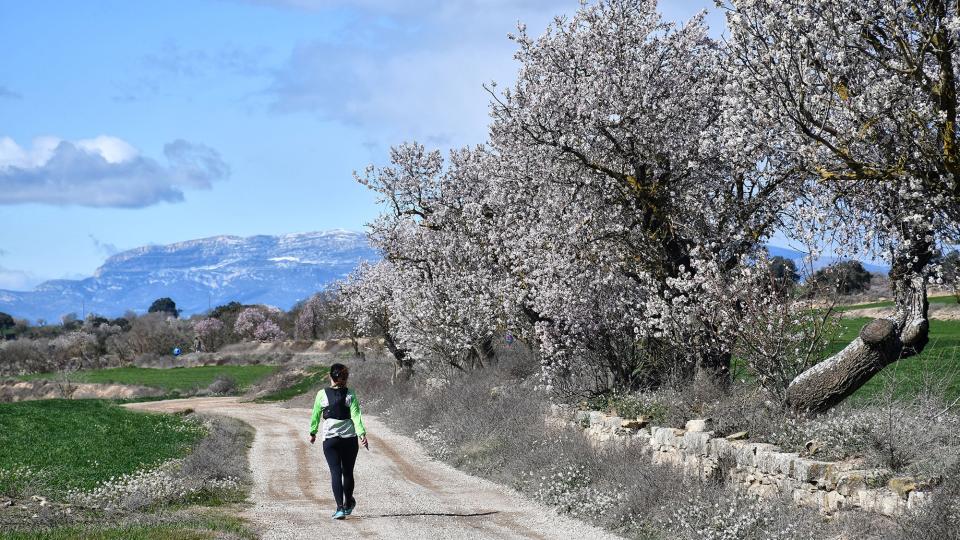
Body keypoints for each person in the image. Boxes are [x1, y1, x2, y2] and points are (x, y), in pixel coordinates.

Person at [309, 363, 369, 520]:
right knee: (348, 472)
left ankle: (340, 509)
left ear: (330, 376)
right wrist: (362, 434)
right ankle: (348, 504)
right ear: (345, 378)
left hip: (330, 440)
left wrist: (312, 432)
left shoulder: (321, 394)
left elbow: (315, 414)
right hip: (349, 439)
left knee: (336, 473)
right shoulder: (350, 394)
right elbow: (356, 416)